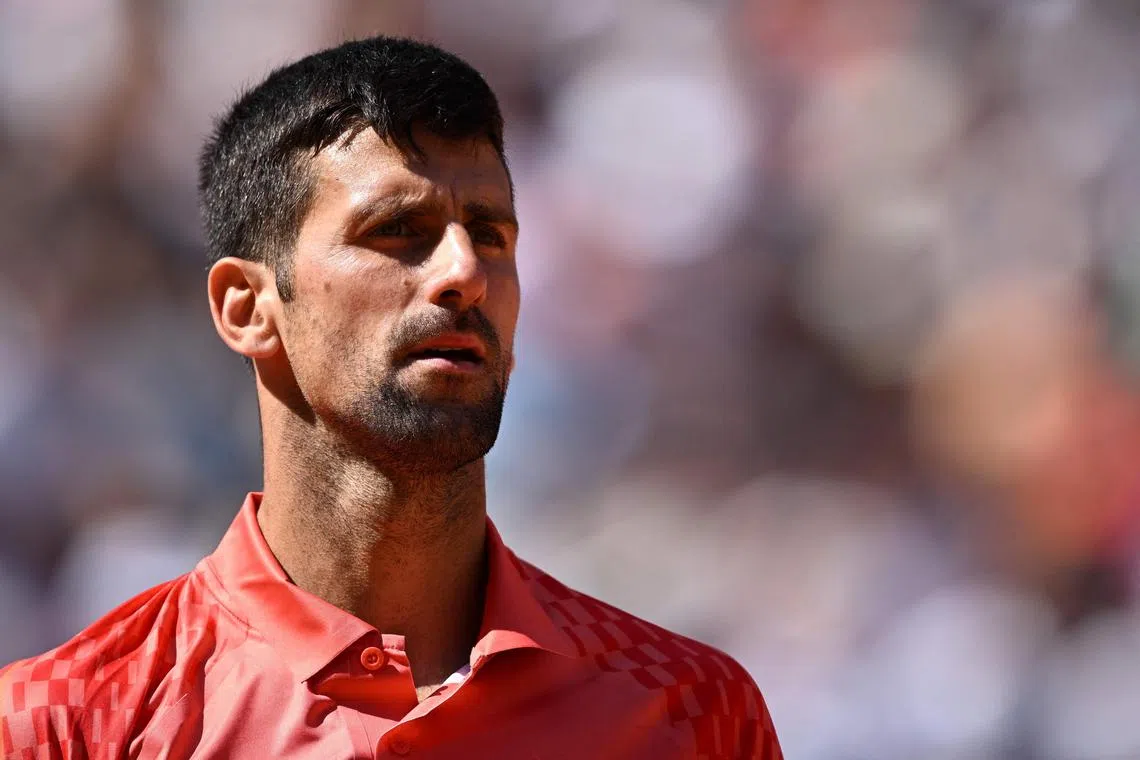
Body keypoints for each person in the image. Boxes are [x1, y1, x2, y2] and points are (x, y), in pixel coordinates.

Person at [0, 36, 782, 759]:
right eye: (398, 230)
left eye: (491, 234)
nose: (464, 273)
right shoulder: (64, 724)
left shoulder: (691, 712)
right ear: (247, 306)